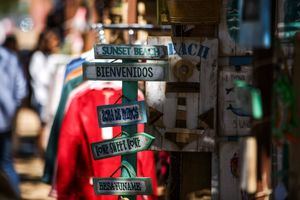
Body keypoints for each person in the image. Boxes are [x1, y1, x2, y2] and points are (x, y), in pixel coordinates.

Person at [0, 44, 28, 197]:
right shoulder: (11, 58)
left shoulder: (10, 58)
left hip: (6, 120)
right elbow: (21, 89)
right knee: (7, 163)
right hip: (6, 121)